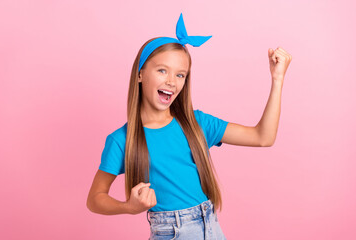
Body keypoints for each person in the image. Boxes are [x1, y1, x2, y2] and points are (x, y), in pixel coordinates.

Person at [86, 13, 292, 240]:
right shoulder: (121, 140)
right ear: (140, 74)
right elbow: (95, 198)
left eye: (180, 74)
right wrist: (129, 206)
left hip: (211, 228)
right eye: (162, 70)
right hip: (171, 232)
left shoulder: (197, 123)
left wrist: (277, 80)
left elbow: (263, 137)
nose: (172, 81)